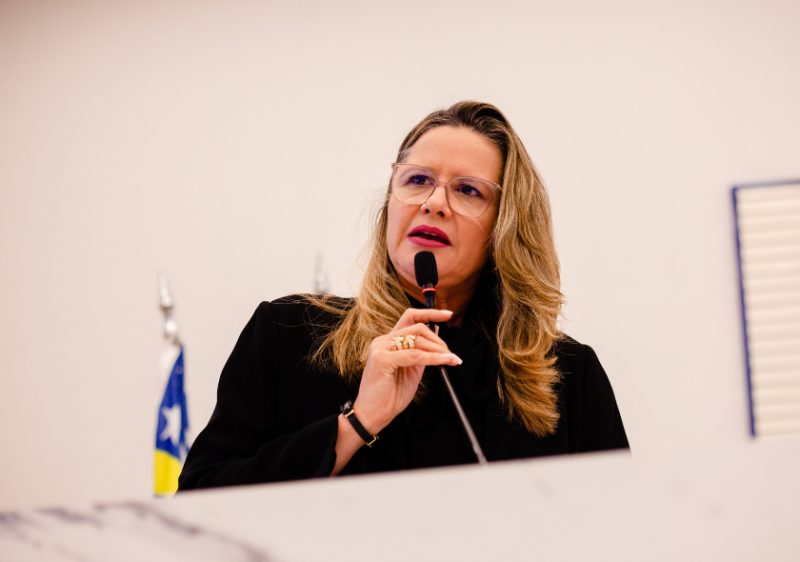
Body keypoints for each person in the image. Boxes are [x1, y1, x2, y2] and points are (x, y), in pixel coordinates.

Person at [178, 101, 628, 490]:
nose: (433, 203)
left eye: (467, 190)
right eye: (417, 180)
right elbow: (200, 504)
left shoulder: (569, 377)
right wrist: (356, 423)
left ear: (504, 229)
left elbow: (620, 534)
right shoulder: (288, 334)